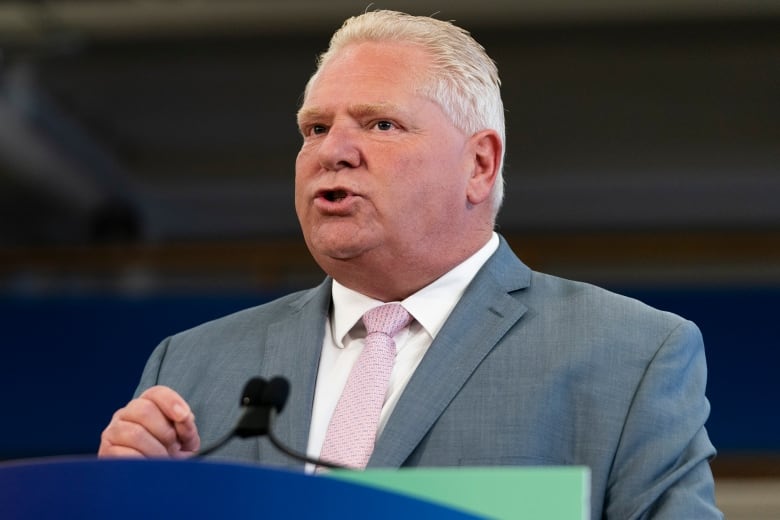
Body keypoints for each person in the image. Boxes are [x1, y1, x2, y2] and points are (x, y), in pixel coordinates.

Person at [99, 10, 722, 518]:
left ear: (479, 165)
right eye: (314, 128)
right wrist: (117, 504)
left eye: (381, 124)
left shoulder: (632, 356)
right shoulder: (190, 367)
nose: (333, 151)